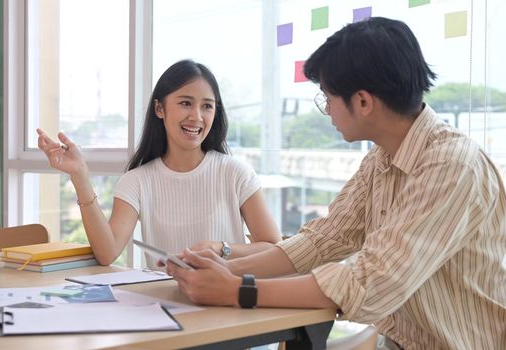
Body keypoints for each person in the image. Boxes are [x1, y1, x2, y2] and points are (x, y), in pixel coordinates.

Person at [169, 18, 506, 349]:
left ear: (362, 102)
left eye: (327, 99)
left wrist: (238, 289)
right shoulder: (382, 158)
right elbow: (327, 238)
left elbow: (371, 281)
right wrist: (226, 269)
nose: (327, 111)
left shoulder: (452, 164)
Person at [37, 59, 281, 266]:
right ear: (159, 108)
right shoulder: (137, 181)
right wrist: (80, 175)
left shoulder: (236, 173)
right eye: (185, 103)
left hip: (224, 305)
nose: (196, 116)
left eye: (207, 106)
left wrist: (221, 248)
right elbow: (107, 253)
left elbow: (273, 247)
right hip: (163, 306)